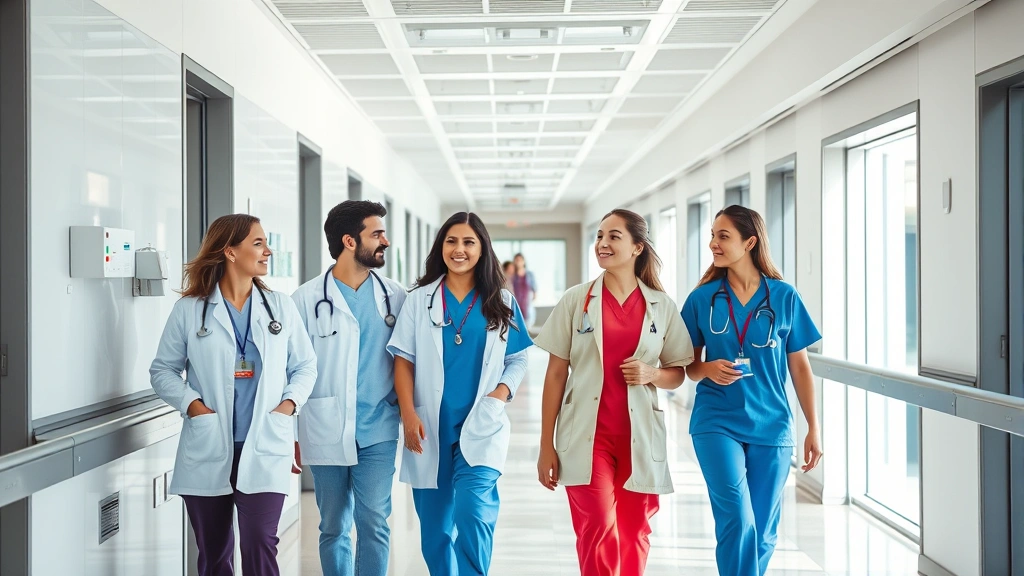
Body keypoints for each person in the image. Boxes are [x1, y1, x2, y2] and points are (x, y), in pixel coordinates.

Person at [150, 214, 317, 576]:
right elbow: (162, 371)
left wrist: (288, 406)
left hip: (266, 442)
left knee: (260, 543)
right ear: (229, 251)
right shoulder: (190, 310)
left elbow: (306, 367)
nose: (267, 251)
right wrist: (193, 406)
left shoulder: (281, 307)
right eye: (258, 243)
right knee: (214, 554)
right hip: (209, 443)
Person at [533, 209, 694, 576]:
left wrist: (652, 373)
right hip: (587, 438)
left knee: (636, 530)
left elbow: (678, 374)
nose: (602, 244)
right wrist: (546, 445)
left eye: (614, 236)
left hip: (639, 437)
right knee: (596, 529)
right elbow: (556, 374)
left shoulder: (661, 306)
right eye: (600, 236)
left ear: (638, 247)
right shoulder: (577, 300)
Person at [386, 212, 533, 576]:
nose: (459, 249)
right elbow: (403, 360)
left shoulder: (501, 301)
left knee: (473, 512)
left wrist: (499, 395)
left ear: (482, 249)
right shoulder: (419, 300)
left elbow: (518, 358)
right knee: (435, 532)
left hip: (481, 426)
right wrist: (407, 413)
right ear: (441, 247)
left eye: (469, 242)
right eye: (452, 241)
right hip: (430, 427)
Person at [680, 205, 823, 576]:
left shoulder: (785, 297)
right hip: (716, 421)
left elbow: (800, 366)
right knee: (737, 520)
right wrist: (707, 368)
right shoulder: (701, 299)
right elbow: (687, 367)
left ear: (750, 242)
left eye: (722, 236)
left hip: (772, 425)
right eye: (712, 235)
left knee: (762, 533)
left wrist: (813, 427)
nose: (712, 243)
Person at [291, 201, 407, 576]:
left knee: (374, 521)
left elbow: (407, 364)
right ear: (349, 241)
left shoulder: (396, 297)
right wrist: (291, 432)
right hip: (325, 425)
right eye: (377, 234)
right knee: (333, 525)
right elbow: (292, 370)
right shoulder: (305, 300)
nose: (385, 241)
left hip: (379, 427)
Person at [511, 253, 538, 327]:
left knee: (527, 324)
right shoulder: (513, 275)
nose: (518, 262)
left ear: (524, 261)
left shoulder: (529, 274)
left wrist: (534, 296)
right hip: (516, 302)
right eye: (516, 260)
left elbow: (534, 287)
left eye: (520, 260)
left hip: (527, 303)